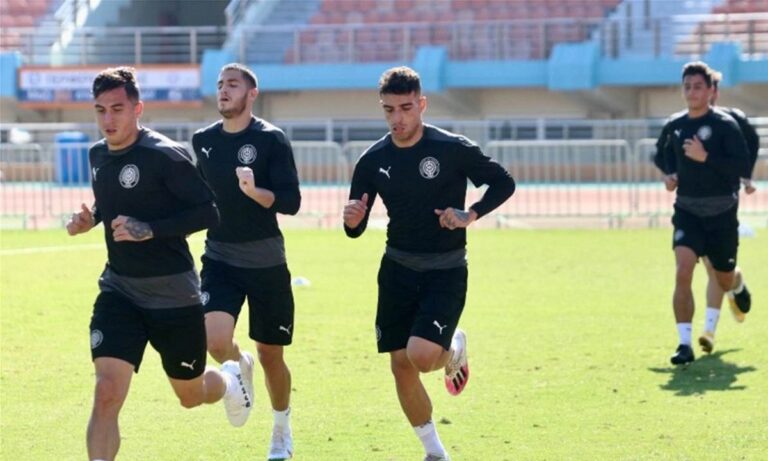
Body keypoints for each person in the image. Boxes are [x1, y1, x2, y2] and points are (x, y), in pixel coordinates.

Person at [66, 67, 253, 461]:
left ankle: (228, 381)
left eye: (117, 109)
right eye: (100, 110)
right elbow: (110, 201)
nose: (108, 119)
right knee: (106, 391)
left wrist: (149, 229)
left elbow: (209, 212)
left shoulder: (165, 155)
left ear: (137, 109)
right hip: (120, 289)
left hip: (174, 295)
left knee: (191, 395)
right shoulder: (97, 154)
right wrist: (91, 219)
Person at [343, 66, 515, 461]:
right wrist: (351, 220)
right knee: (400, 365)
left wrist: (470, 214)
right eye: (389, 110)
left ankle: (452, 347)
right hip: (396, 269)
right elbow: (355, 227)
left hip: (445, 269)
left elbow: (503, 181)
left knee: (420, 357)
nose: (398, 118)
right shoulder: (372, 160)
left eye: (406, 108)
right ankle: (434, 452)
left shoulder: (451, 148)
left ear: (421, 104)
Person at [191, 63, 301, 461]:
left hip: (266, 261)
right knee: (214, 341)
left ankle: (281, 429)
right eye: (220, 84)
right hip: (220, 258)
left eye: (233, 85)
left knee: (272, 354)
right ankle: (239, 364)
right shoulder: (203, 140)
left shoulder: (271, 139)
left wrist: (255, 193)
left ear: (252, 93)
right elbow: (199, 197)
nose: (223, 90)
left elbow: (291, 202)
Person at [653, 66, 756, 357]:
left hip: (722, 214)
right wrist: (670, 175)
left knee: (722, 278)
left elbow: (740, 165)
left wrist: (705, 157)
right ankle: (684, 344)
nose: (691, 92)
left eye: (698, 86)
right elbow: (662, 155)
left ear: (711, 91)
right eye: (687, 86)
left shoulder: (725, 125)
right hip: (687, 211)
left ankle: (735, 282)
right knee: (683, 271)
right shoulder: (675, 125)